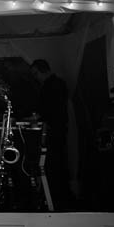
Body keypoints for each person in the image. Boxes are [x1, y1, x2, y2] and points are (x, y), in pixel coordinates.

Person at [30, 59, 71, 209]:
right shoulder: (58, 84)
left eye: (36, 73)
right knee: (56, 162)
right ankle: (57, 195)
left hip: (54, 131)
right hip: (58, 129)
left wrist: (39, 117)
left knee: (53, 163)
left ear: (43, 70)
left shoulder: (51, 86)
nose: (35, 77)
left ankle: (56, 195)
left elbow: (50, 110)